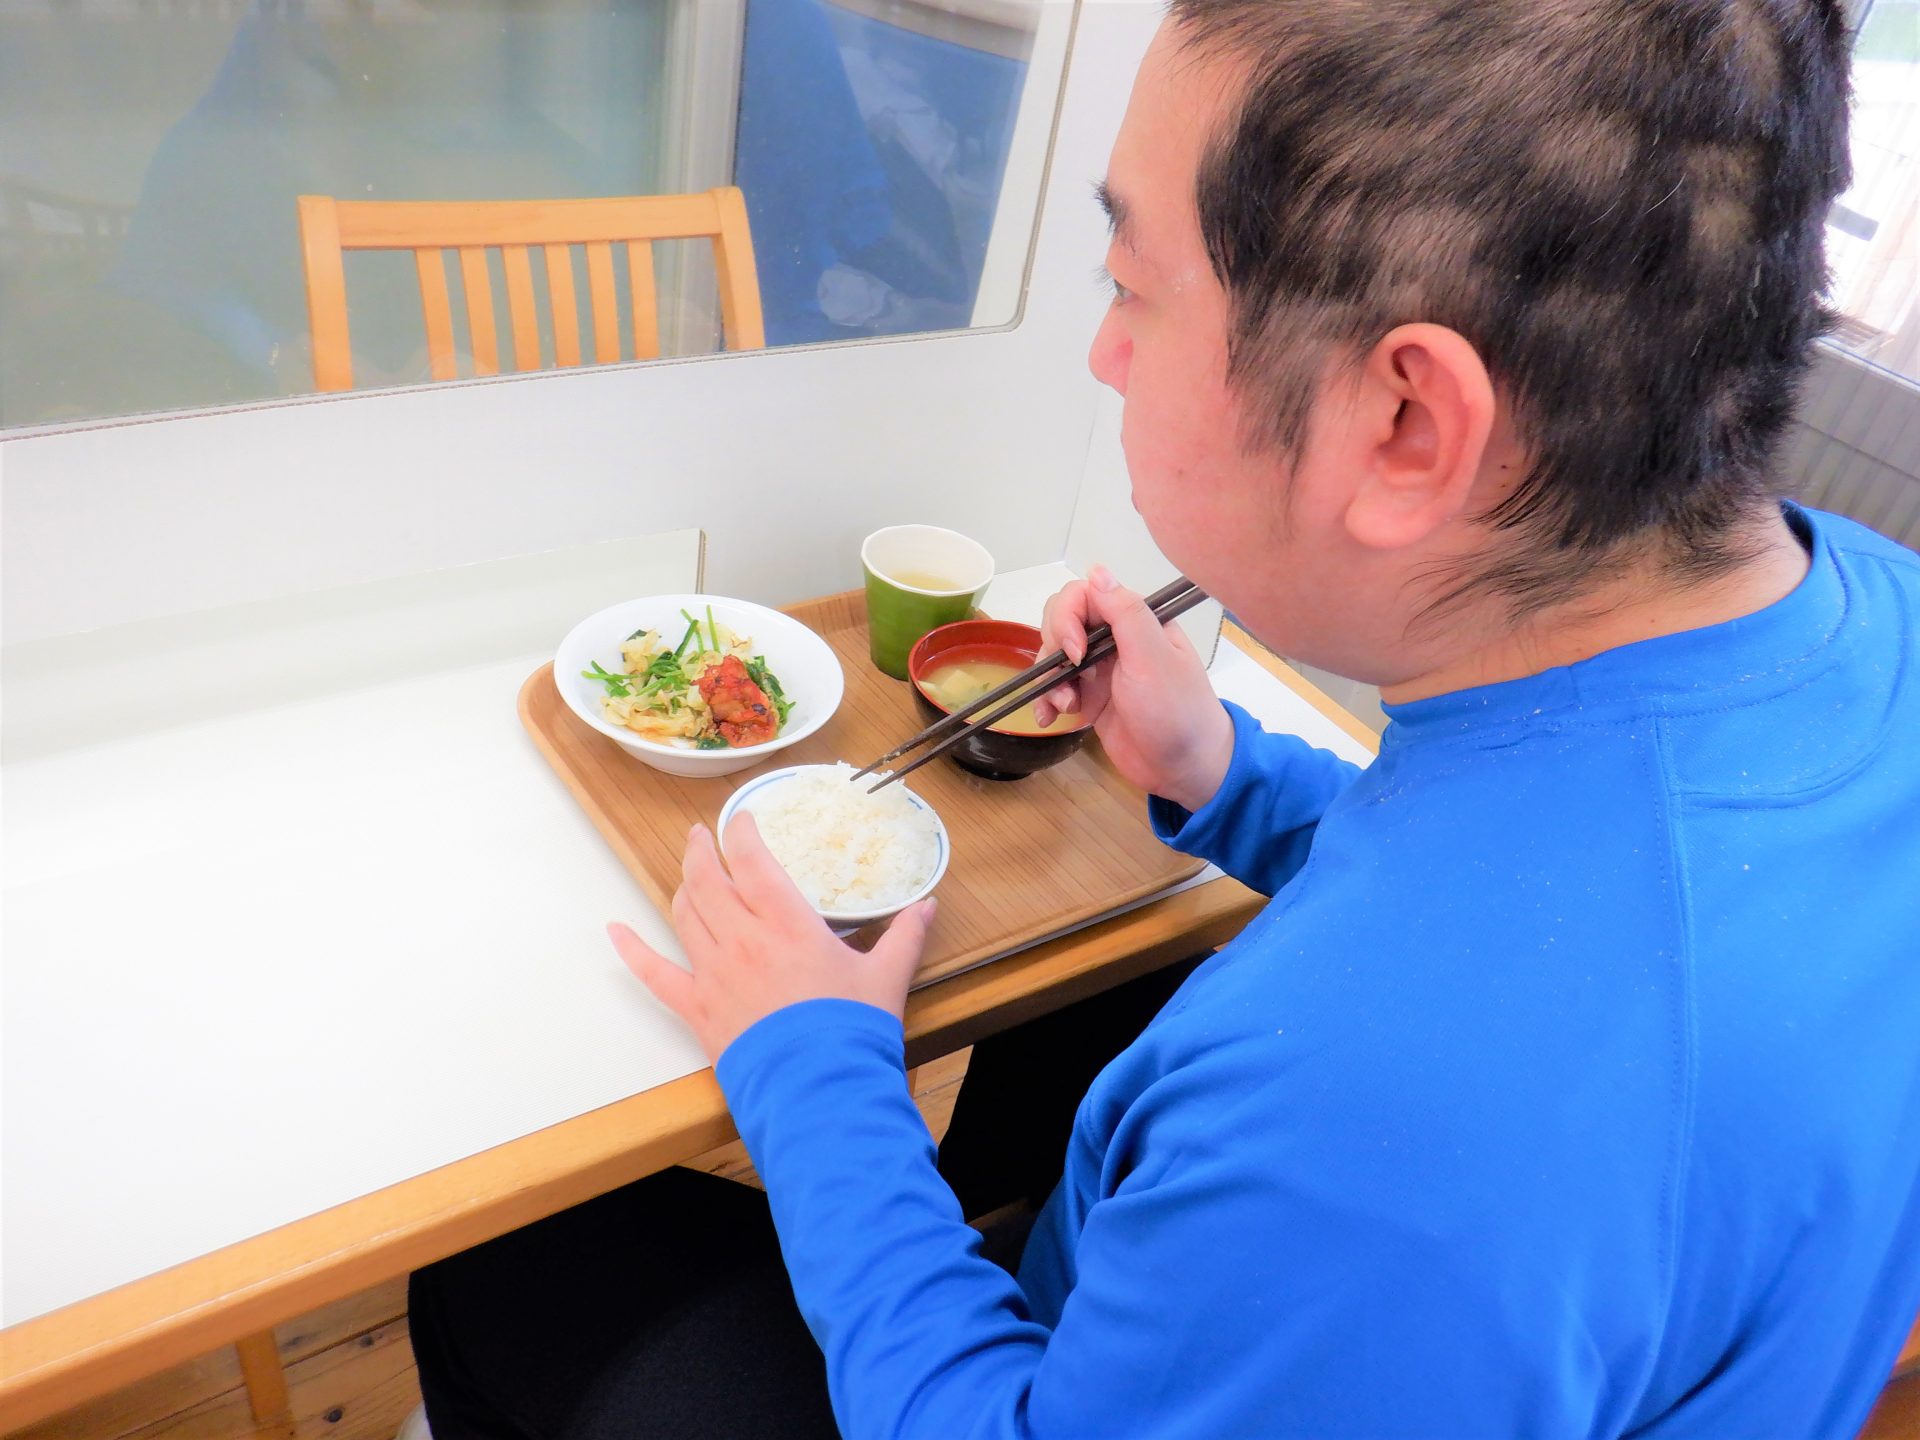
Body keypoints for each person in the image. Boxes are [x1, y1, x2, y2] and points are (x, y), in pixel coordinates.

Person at [410, 1, 1920, 1435]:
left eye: (1134, 286)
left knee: (504, 1270)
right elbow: (1535, 885)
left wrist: (811, 1061)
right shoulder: (1859, 608)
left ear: (1405, 426)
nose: (1106, 352)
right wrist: (1226, 771)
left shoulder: (1390, 1149)